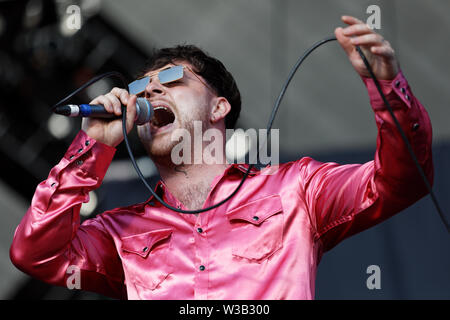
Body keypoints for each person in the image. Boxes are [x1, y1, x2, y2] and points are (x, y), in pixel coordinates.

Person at [10, 15, 433, 299]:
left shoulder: (295, 190)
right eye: (141, 88)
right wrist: (92, 148)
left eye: (173, 79)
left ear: (219, 108)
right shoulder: (119, 231)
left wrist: (387, 88)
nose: (151, 92)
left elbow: (399, 181)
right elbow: (36, 255)